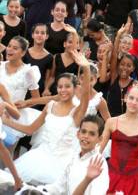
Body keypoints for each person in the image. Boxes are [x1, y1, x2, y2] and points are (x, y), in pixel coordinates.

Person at [3, 49, 90, 184]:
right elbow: (30, 130)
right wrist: (7, 122)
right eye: (60, 87)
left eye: (67, 86)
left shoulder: (77, 111)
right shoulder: (50, 106)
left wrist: (86, 67)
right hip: (40, 156)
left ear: (75, 88)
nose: (63, 90)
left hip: (63, 162)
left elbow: (86, 94)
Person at [100, 85, 138, 194]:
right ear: (125, 98)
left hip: (133, 181)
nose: (134, 102)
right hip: (110, 177)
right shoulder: (111, 122)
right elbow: (99, 150)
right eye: (131, 98)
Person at [38, 115, 109, 194]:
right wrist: (36, 189)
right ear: (78, 134)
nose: (86, 136)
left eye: (92, 134)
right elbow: (59, 187)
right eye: (83, 131)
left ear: (99, 139)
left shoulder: (99, 163)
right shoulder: (74, 157)